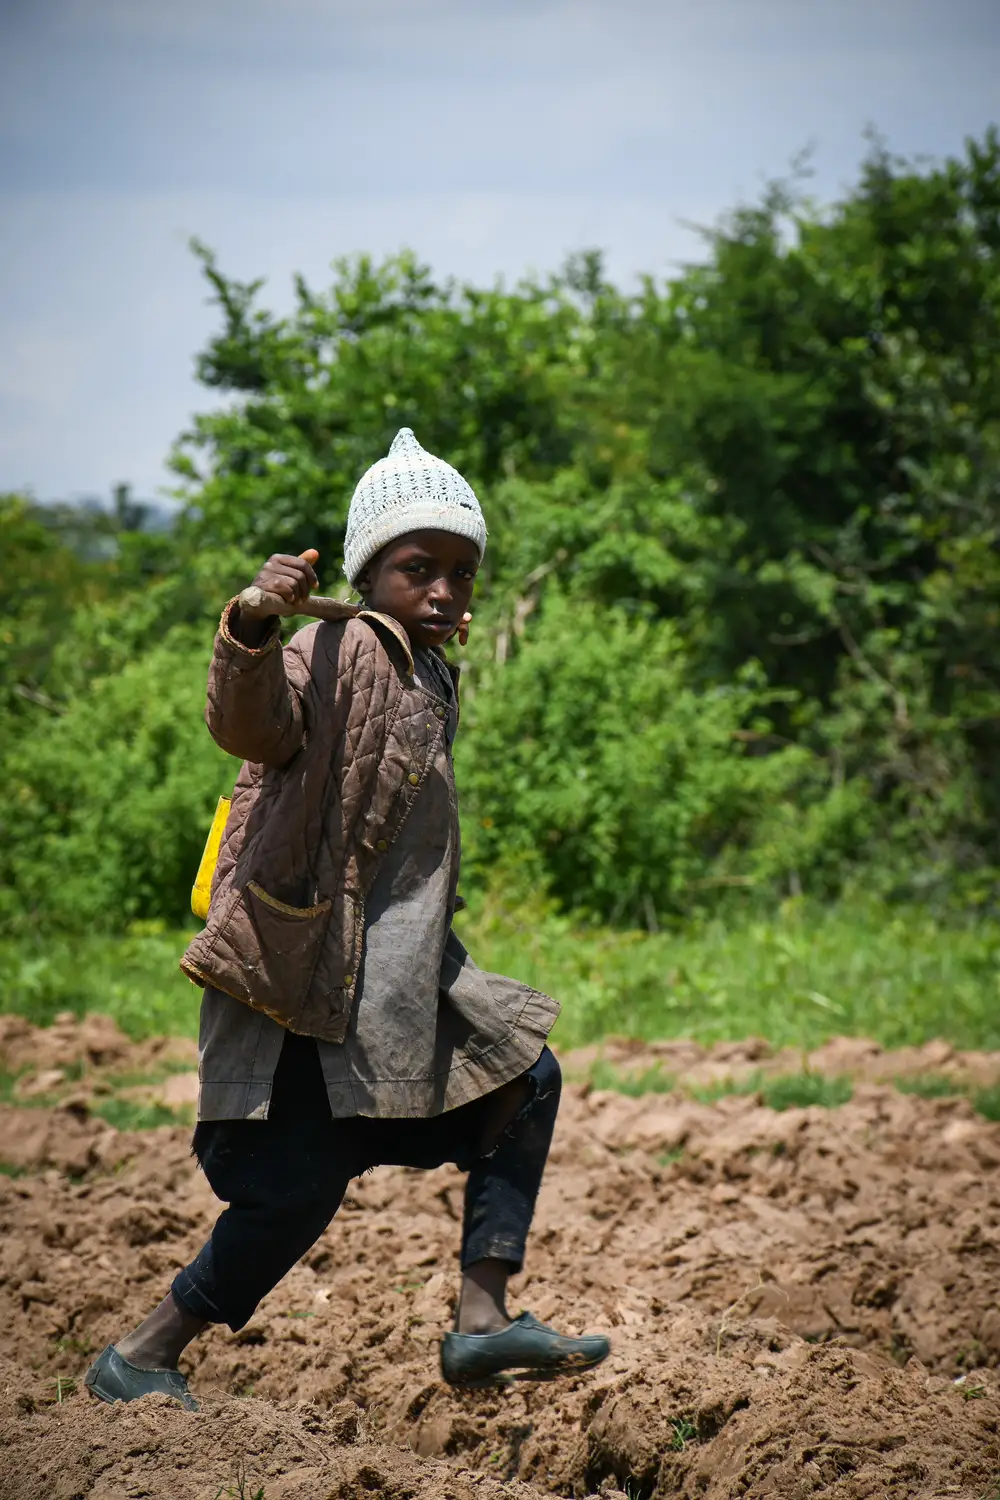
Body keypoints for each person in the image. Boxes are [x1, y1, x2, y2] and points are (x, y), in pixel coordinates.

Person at [85, 428, 611, 1410]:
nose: (448, 589)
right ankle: (144, 1356)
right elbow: (253, 726)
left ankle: (482, 1322)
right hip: (299, 984)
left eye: (462, 570)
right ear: (369, 570)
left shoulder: (426, 670)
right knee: (292, 1189)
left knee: (523, 1077)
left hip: (385, 989)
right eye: (421, 568)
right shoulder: (334, 648)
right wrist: (250, 625)